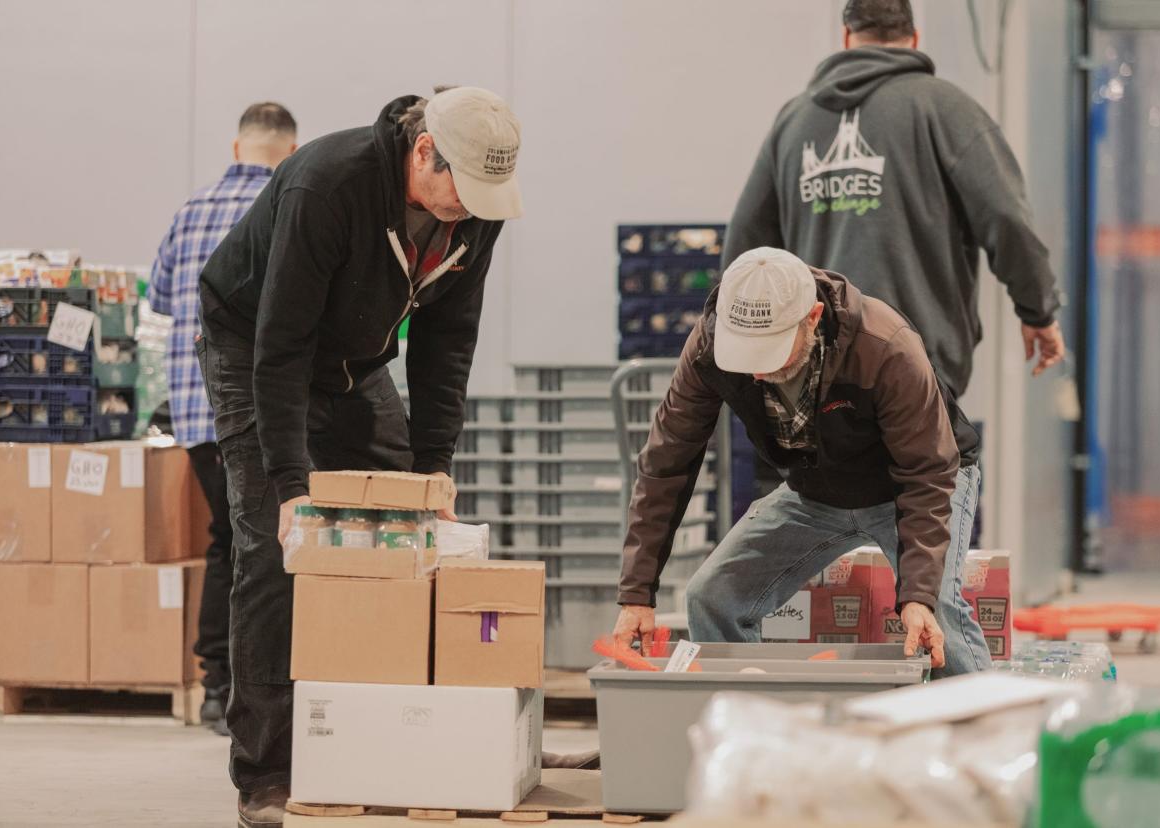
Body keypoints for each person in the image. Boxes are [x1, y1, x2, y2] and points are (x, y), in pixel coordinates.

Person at [197, 87, 522, 828]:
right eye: (460, 190)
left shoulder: (475, 211)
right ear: (422, 153)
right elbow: (279, 346)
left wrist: (433, 463)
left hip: (355, 361)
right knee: (274, 551)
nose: (467, 208)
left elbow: (447, 342)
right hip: (254, 349)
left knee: (414, 522)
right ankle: (266, 774)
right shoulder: (329, 183)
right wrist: (288, 485)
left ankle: (400, 738)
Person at [612, 248, 990, 678]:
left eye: (769, 353)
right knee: (712, 597)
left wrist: (917, 595)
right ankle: (755, 732)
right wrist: (636, 594)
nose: (754, 373)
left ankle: (993, 737)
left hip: (912, 484)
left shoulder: (885, 345)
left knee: (934, 609)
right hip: (816, 490)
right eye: (745, 353)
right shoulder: (708, 346)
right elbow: (667, 461)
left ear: (811, 317)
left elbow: (926, 471)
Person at [723, 0, 1064, 399]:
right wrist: (1037, 311)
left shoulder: (793, 121)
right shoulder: (948, 110)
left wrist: (753, 348)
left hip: (817, 374)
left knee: (827, 463)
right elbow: (1006, 217)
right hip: (919, 368)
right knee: (930, 462)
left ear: (847, 37)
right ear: (914, 40)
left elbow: (744, 246)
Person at [148, 102, 297, 735]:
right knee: (265, 549)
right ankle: (260, 688)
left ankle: (216, 686)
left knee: (225, 541)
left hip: (194, 406)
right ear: (290, 152)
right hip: (264, 408)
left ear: (238, 148)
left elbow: (157, 299)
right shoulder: (290, 206)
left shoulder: (189, 211)